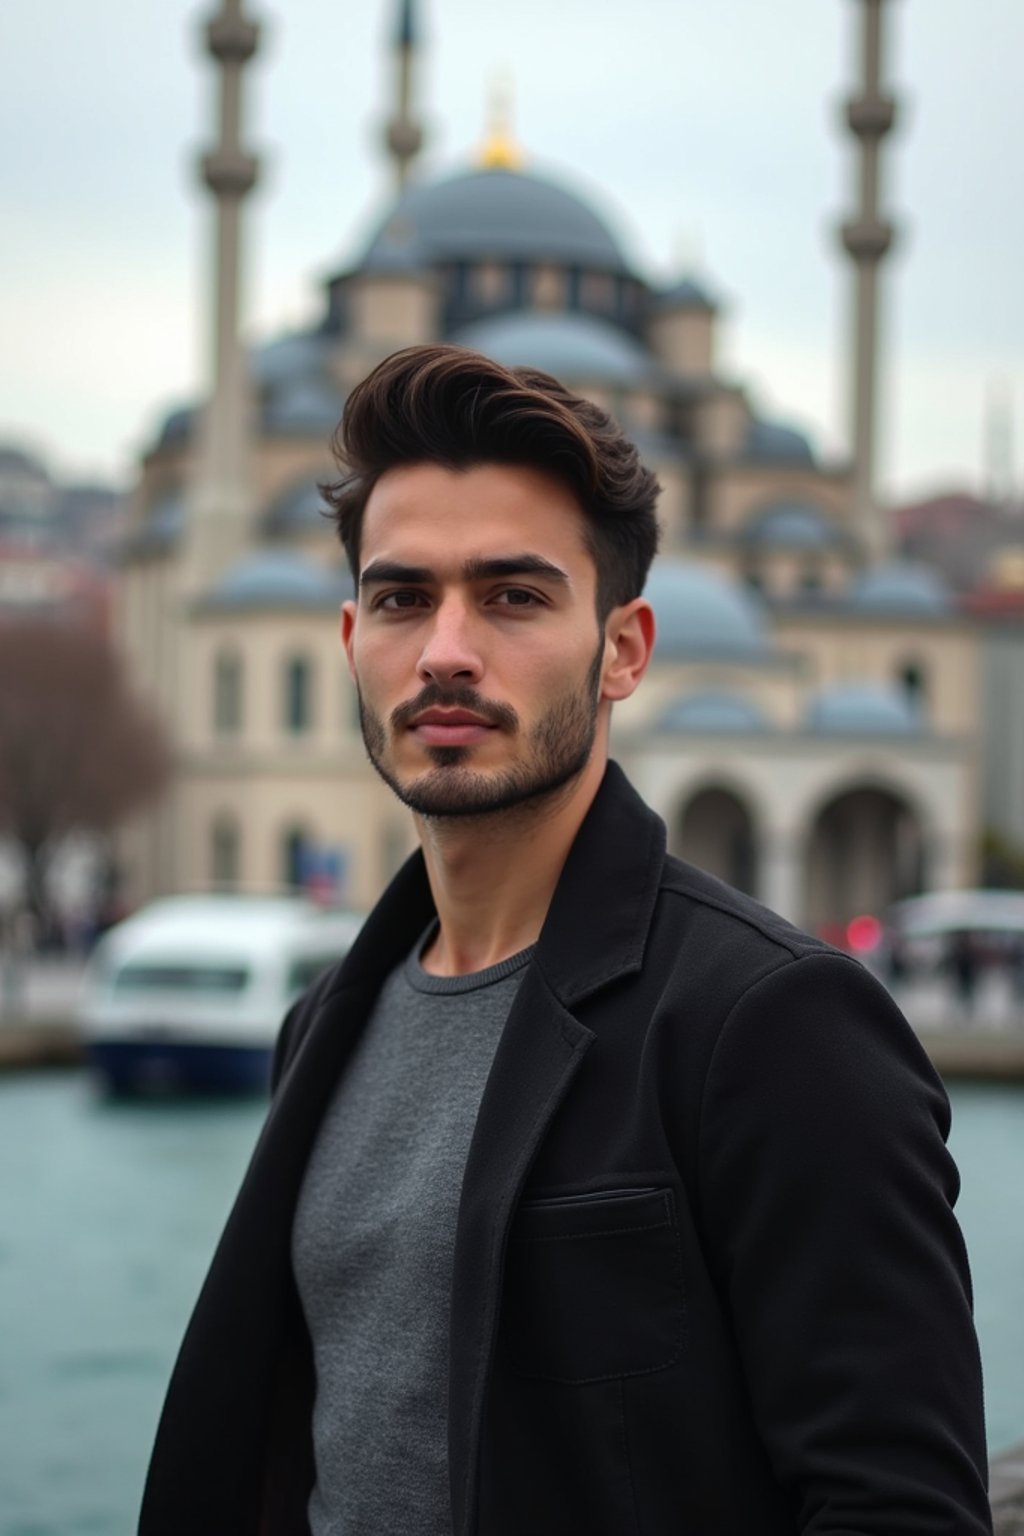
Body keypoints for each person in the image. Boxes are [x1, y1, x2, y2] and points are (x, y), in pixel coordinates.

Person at [140, 344, 991, 1535]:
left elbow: (895, 1504)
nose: (445, 649)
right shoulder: (326, 1020)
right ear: (348, 641)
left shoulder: (772, 1023)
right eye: (401, 598)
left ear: (625, 649)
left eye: (513, 596)